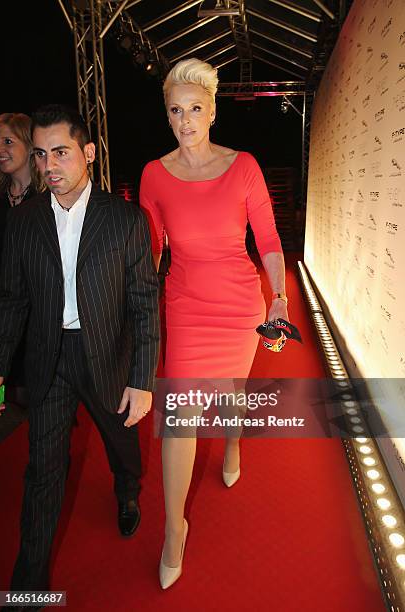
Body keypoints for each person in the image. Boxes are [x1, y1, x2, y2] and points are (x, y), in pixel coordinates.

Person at [0, 105, 160, 603]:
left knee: (121, 444)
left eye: (61, 153)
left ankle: (127, 490)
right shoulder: (23, 222)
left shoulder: (127, 219)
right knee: (43, 472)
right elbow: (11, 300)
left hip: (107, 355)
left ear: (88, 153)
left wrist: (143, 379)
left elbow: (144, 302)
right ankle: (28, 590)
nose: (49, 166)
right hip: (49, 360)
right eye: (42, 154)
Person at [140, 58, 288, 589]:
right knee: (178, 419)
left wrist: (280, 299)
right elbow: (150, 251)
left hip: (237, 306)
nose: (185, 120)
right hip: (185, 307)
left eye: (195, 109)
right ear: (168, 114)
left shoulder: (243, 165)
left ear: (213, 110)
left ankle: (232, 441)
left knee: (231, 394)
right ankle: (173, 528)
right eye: (176, 111)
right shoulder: (154, 174)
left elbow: (268, 240)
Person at [0, 113, 44, 412]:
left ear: (29, 146)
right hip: (0, 318)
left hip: (35, 322)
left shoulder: (48, 201)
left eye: (7, 141)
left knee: (39, 413)